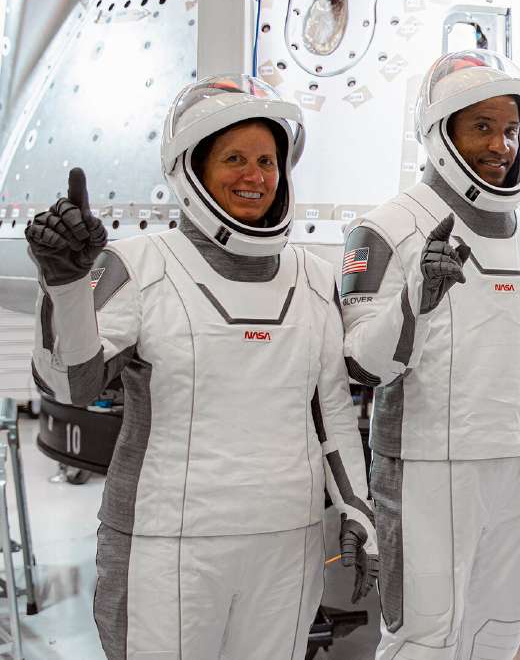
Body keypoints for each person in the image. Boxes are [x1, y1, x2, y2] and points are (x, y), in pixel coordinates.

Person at [26, 75, 377, 659]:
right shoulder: (138, 264)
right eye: (234, 158)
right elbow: (71, 383)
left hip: (287, 542)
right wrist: (64, 286)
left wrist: (357, 511)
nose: (255, 175)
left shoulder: (316, 277)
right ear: (190, 169)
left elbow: (333, 415)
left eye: (267, 160)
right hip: (168, 543)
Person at [340, 49, 520, 660]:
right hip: (424, 471)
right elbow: (360, 365)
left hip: (511, 470)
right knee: (423, 640)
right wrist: (415, 300)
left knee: (496, 636)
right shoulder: (386, 230)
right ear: (440, 131)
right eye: (482, 126)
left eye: (510, 129)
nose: (501, 145)